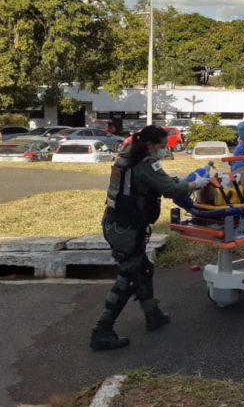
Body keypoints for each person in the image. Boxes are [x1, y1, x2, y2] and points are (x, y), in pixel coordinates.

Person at [90, 125, 210, 351]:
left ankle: (152, 313)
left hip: (117, 225)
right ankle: (102, 330)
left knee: (143, 269)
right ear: (150, 145)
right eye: (163, 146)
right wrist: (194, 184)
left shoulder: (127, 158)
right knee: (128, 278)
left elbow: (156, 182)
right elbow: (169, 189)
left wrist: (179, 181)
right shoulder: (144, 164)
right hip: (127, 230)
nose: (165, 150)